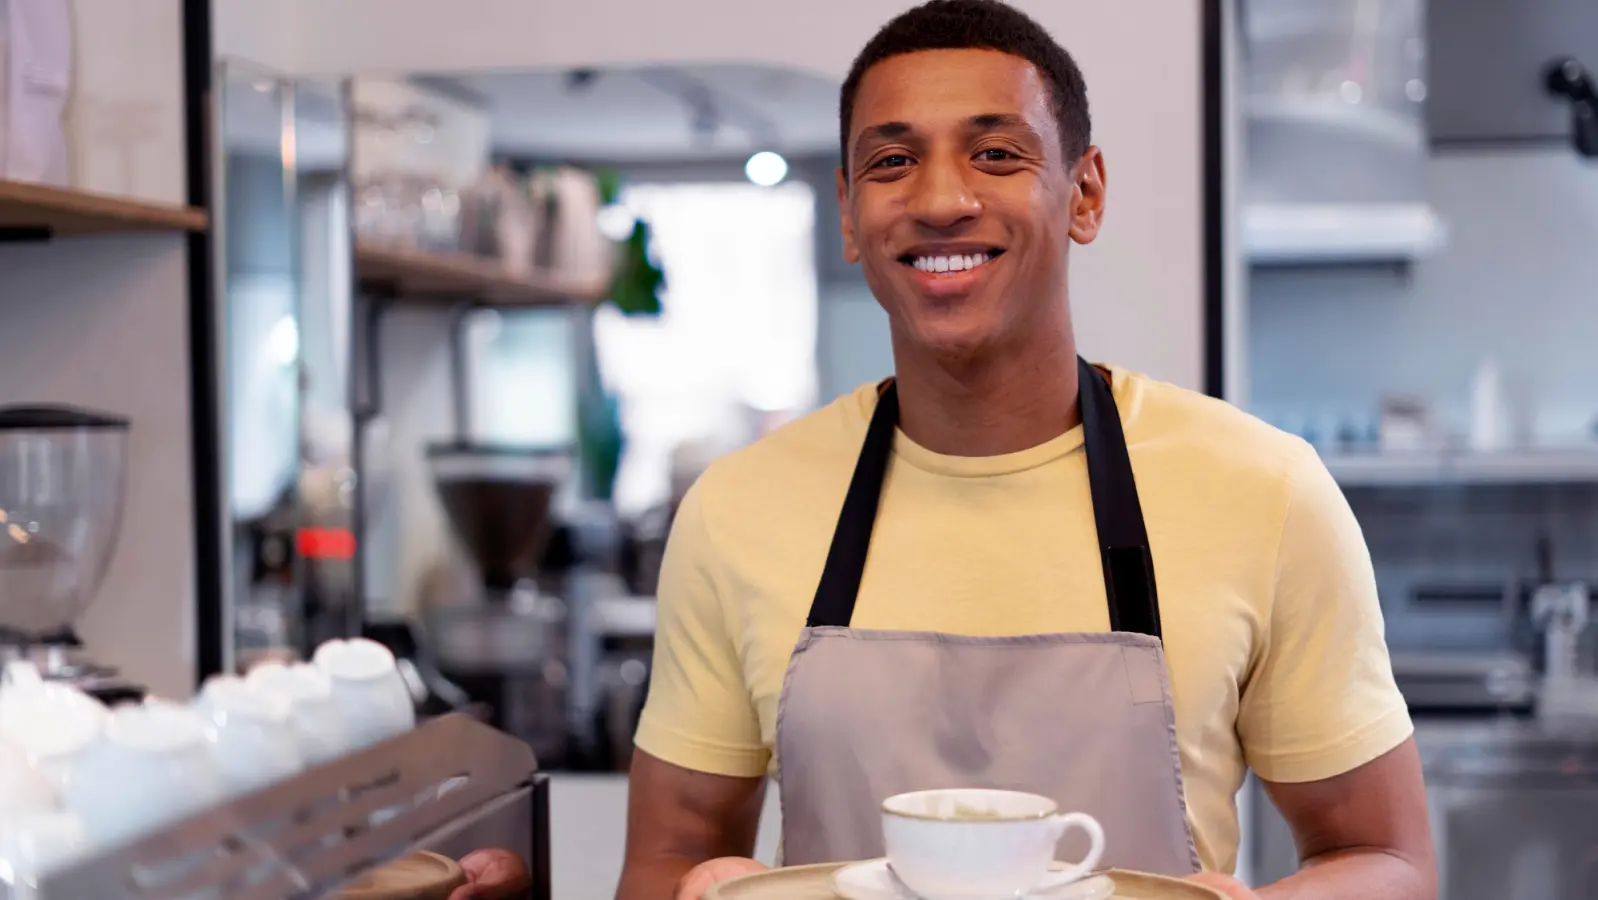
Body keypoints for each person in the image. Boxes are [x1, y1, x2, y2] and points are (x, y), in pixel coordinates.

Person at [467, 2, 1439, 899]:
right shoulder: (737, 511)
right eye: (891, 163)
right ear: (847, 213)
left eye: (995, 153)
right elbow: (671, 861)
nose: (939, 199)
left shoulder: (1259, 491)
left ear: (1082, 193)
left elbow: (1388, 859)